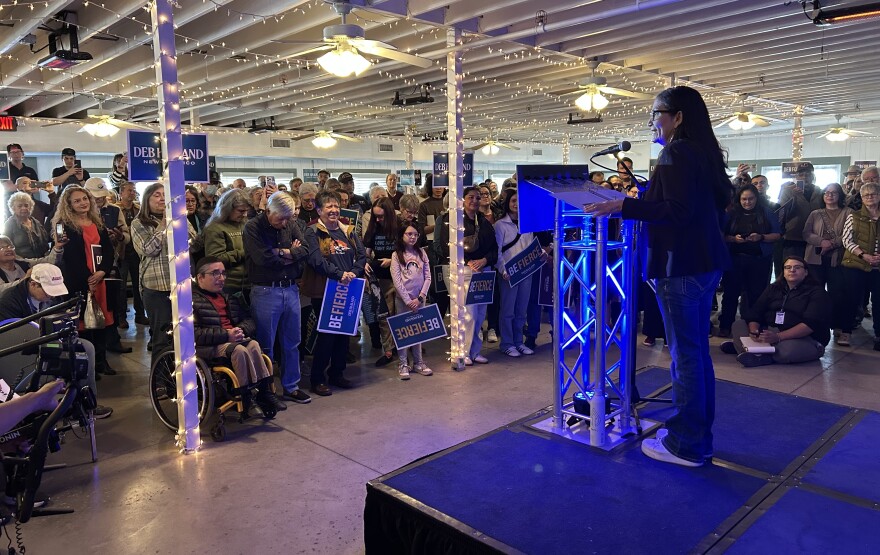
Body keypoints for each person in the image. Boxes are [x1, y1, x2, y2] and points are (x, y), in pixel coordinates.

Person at [584, 86, 733, 468]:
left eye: (656, 113)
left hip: (679, 266)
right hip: (703, 264)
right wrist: (646, 197)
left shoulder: (676, 152)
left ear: (677, 116)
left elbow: (678, 211)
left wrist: (624, 204)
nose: (652, 120)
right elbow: (690, 206)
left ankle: (686, 444)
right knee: (697, 356)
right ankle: (699, 438)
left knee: (685, 358)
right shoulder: (703, 153)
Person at [0, 263, 111, 418]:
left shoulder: (48, 296)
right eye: (48, 291)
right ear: (33, 284)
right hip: (23, 347)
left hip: (48, 338)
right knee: (70, 354)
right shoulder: (9, 301)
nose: (52, 296)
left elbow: (57, 314)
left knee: (86, 349)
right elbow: (13, 335)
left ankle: (85, 404)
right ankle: (59, 405)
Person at [192, 257, 287, 415]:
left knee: (254, 345)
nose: (221, 278)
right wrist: (226, 335)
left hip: (234, 339)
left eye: (223, 273)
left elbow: (249, 320)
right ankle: (244, 395)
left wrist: (240, 329)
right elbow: (194, 334)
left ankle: (265, 392)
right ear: (200, 277)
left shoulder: (229, 297)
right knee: (240, 351)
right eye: (215, 274)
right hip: (210, 346)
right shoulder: (192, 302)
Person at [243, 192, 311, 404]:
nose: (284, 223)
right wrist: (291, 252)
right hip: (265, 291)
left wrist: (280, 252)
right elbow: (263, 259)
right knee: (266, 344)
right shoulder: (252, 227)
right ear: (268, 210)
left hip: (290, 289)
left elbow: (306, 250)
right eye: (280, 218)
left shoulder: (290, 223)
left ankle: (291, 386)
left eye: (287, 219)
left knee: (293, 342)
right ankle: (267, 390)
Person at [302, 190, 367, 395]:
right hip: (325, 291)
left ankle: (337, 373)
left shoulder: (348, 230)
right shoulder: (311, 232)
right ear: (319, 210)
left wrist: (352, 273)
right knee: (327, 336)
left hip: (348, 288)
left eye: (336, 206)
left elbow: (362, 255)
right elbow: (315, 261)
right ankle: (317, 379)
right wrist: (340, 274)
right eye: (328, 206)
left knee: (343, 334)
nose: (333, 210)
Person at [51, 186, 117, 378]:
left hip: (100, 280)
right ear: (69, 205)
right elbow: (71, 258)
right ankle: (87, 364)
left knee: (102, 322)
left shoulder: (98, 223)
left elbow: (108, 250)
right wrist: (88, 279)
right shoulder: (66, 226)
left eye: (85, 199)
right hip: (79, 281)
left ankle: (102, 361)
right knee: (84, 325)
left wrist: (102, 271)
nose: (83, 203)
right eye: (77, 201)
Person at [720, 256, 831, 368]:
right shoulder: (773, 288)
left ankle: (751, 352)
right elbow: (755, 313)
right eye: (788, 267)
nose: (792, 270)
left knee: (788, 350)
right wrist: (755, 331)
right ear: (783, 272)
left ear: (806, 272)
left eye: (797, 267)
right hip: (771, 332)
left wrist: (778, 337)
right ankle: (752, 349)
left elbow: (809, 325)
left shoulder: (818, 293)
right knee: (739, 325)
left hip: (802, 338)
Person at [132, 182, 196, 363]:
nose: (162, 198)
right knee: (162, 339)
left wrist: (179, 218)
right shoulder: (139, 223)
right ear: (147, 200)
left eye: (164, 195)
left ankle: (182, 382)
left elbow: (195, 242)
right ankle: (160, 383)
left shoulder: (179, 217)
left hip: (182, 285)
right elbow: (148, 249)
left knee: (184, 337)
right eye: (157, 195)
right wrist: (164, 222)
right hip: (157, 289)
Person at [435, 186, 498, 366]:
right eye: (471, 197)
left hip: (484, 272)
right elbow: (447, 246)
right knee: (467, 314)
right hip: (465, 271)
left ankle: (475, 351)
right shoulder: (452, 219)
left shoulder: (484, 222)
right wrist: (469, 261)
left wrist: (485, 260)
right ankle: (463, 352)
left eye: (478, 198)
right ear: (462, 199)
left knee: (480, 314)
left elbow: (494, 248)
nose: (475, 201)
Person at [717, 184, 781, 337]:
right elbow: (721, 235)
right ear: (739, 199)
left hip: (758, 260)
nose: (747, 202)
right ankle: (726, 325)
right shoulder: (731, 213)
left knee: (757, 294)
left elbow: (777, 234)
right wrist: (733, 239)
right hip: (734, 260)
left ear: (756, 198)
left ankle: (754, 325)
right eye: (744, 199)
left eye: (751, 199)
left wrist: (761, 237)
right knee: (730, 294)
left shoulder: (766, 212)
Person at [83, 177, 132, 352]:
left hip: (111, 261)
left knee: (112, 300)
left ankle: (113, 340)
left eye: (101, 195)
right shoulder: (83, 215)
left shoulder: (114, 210)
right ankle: (97, 346)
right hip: (89, 265)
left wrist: (118, 236)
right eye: (95, 196)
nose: (99, 199)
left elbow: (126, 236)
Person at [802, 182, 851, 343]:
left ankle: (837, 326)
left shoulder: (848, 212)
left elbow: (850, 234)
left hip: (838, 259)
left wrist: (833, 243)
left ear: (840, 195)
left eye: (834, 193)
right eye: (826, 193)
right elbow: (806, 234)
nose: (829, 195)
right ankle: (814, 325)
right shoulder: (816, 213)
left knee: (838, 294)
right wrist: (822, 241)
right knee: (815, 293)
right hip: (815, 259)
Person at [494, 188, 538, 357]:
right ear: (507, 203)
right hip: (508, 273)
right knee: (508, 310)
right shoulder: (500, 225)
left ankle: (519, 341)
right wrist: (503, 269)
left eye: (519, 201)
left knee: (522, 310)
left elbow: (529, 246)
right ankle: (506, 343)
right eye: (513, 201)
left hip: (526, 272)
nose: (516, 205)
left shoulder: (527, 223)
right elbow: (497, 250)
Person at [840, 181, 880, 351]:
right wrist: (864, 255)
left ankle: (878, 335)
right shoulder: (854, 216)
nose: (870, 197)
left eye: (873, 194)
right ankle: (846, 331)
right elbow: (847, 240)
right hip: (856, 264)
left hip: (878, 267)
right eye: (866, 195)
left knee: (878, 301)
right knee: (851, 299)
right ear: (862, 198)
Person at [390, 223, 433, 380]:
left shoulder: (421, 253)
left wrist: (420, 297)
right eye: (409, 234)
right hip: (403, 301)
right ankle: (403, 363)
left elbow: (428, 277)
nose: (413, 237)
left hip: (419, 299)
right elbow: (397, 281)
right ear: (402, 235)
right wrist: (408, 300)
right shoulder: (396, 255)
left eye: (415, 234)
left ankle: (419, 362)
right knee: (404, 332)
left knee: (418, 331)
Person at [363, 197, 400, 367]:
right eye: (376, 217)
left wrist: (392, 260)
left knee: (400, 314)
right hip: (380, 279)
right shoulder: (373, 229)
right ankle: (388, 350)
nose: (378, 220)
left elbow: (409, 253)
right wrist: (364, 264)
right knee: (384, 317)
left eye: (381, 217)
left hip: (400, 278)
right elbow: (366, 252)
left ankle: (403, 346)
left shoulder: (400, 227)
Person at [203, 189, 250, 298]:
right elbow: (215, 259)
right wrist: (245, 253)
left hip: (248, 283)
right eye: (241, 211)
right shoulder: (214, 228)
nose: (245, 214)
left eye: (246, 211)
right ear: (227, 208)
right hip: (227, 286)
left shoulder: (245, 224)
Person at [116, 181, 148, 326]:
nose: (132, 193)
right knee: (121, 286)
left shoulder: (139, 209)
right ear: (121, 192)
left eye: (134, 190)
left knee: (138, 284)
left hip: (137, 251)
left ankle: (140, 314)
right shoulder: (115, 210)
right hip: (121, 251)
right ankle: (121, 316)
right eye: (129, 190)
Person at [0, 234, 64, 292]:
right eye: (1, 248)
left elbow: (49, 261)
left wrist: (57, 247)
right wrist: (25, 279)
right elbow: (2, 289)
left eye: (10, 246)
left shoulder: (23, 263)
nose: (8, 249)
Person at [5, 191, 52, 259]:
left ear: (30, 207)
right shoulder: (9, 225)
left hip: (41, 261)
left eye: (26, 205)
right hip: (20, 263)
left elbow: (45, 242)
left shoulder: (36, 223)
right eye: (20, 206)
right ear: (13, 208)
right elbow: (6, 248)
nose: (23, 208)